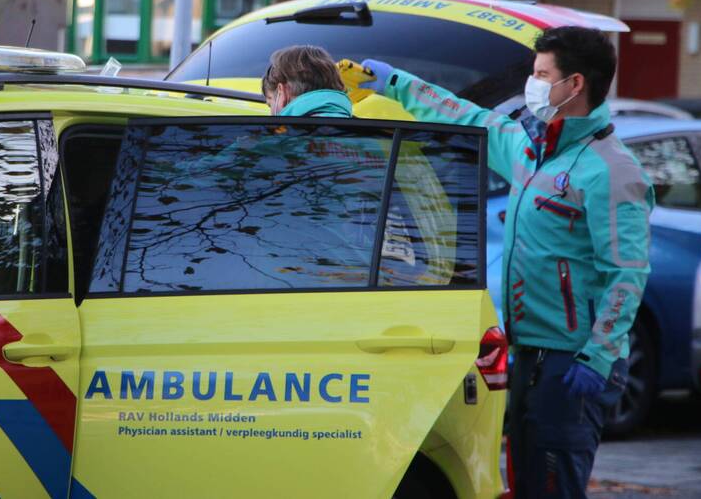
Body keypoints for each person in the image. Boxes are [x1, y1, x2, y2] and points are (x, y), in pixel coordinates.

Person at [341, 26, 654, 499]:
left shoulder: (612, 171)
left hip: (572, 364)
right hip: (529, 354)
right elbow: (465, 115)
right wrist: (393, 83)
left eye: (541, 74)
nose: (532, 83)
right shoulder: (532, 151)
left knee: (552, 487)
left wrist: (599, 355)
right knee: (525, 484)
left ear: (574, 85)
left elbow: (626, 275)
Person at [261, 45, 352, 117]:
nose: (270, 113)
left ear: (281, 91)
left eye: (270, 104)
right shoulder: (360, 130)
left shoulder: (286, 137)